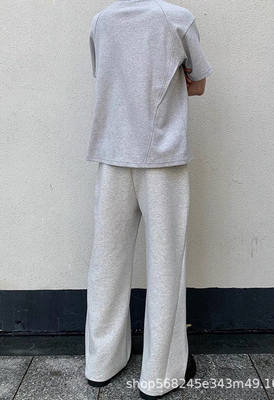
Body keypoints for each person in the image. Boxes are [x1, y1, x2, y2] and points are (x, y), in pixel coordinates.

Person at [84, 0, 212, 398]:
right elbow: (198, 83)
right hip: (161, 157)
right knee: (165, 263)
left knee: (107, 262)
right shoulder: (177, 19)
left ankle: (101, 362)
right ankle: (160, 374)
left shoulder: (100, 21)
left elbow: (108, 78)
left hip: (112, 153)